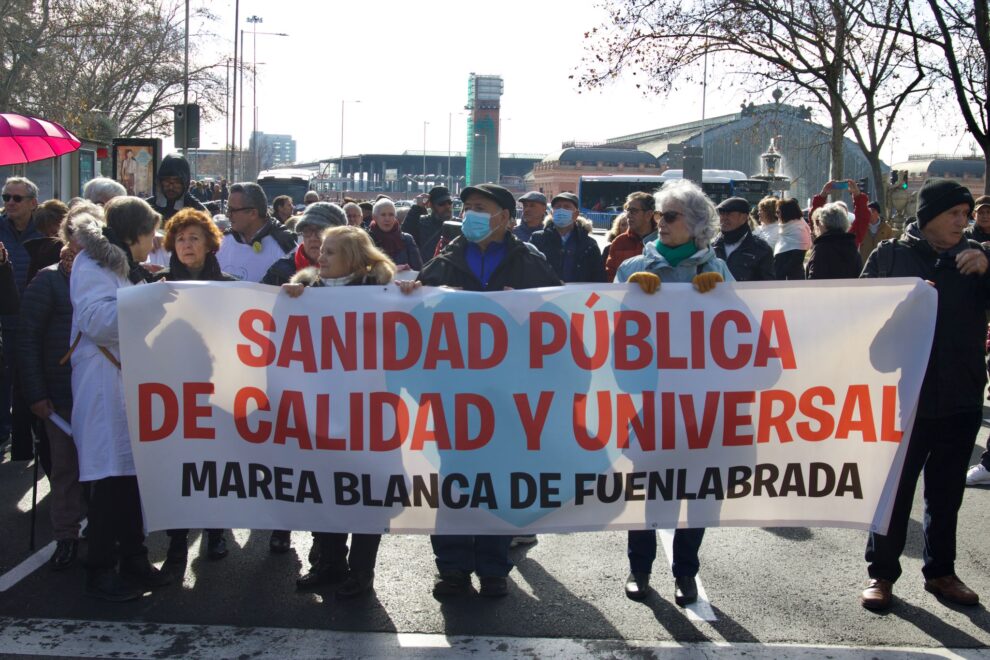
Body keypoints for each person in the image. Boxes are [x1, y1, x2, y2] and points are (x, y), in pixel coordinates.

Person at [398, 183, 561, 598]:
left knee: (498, 484)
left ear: (504, 218)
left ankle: (493, 569)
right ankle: (451, 568)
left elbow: (560, 323)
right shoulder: (444, 261)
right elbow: (414, 325)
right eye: (466, 207)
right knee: (453, 483)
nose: (469, 213)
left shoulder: (530, 264)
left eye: (480, 208)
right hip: (454, 397)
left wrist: (527, 313)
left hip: (509, 398)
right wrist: (408, 295)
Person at [859, 178, 986, 611]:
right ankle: (881, 575)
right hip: (902, 398)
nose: (962, 222)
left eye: (966, 215)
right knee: (893, 491)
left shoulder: (976, 258)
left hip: (961, 395)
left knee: (947, 492)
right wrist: (903, 308)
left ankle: (941, 573)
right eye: (954, 213)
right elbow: (859, 318)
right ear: (930, 215)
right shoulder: (891, 256)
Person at [615, 178, 733, 607]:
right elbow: (608, 330)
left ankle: (686, 573)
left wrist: (721, 300)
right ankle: (639, 568)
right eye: (658, 215)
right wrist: (629, 300)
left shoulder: (716, 270)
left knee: (697, 491)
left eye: (670, 216)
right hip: (648, 398)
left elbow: (745, 332)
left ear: (697, 224)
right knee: (648, 488)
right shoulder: (633, 269)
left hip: (700, 400)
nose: (659, 222)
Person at [282, 225, 397, 597]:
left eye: (331, 252)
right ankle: (327, 564)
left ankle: (360, 573)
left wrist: (408, 294)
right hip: (321, 412)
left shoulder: (382, 295)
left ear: (354, 258)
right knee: (324, 491)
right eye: (322, 250)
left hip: (368, 413)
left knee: (367, 494)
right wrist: (288, 298)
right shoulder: (307, 292)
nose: (321, 256)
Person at [69, 197, 170, 601]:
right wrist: (150, 301)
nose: (154, 241)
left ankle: (133, 559)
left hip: (125, 384)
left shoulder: (120, 267)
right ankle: (100, 571)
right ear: (133, 235)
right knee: (110, 483)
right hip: (103, 386)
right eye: (150, 234)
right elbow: (97, 322)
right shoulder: (92, 266)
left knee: (130, 479)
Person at [149, 208, 238, 564]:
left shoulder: (232, 287)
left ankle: (215, 532)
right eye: (181, 239)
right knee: (180, 463)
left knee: (216, 463)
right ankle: (176, 536)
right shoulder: (158, 288)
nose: (187, 245)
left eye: (194, 238)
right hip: (174, 390)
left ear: (209, 245)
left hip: (220, 388)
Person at [19, 216, 85, 570]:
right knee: (65, 469)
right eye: (76, 240)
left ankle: (105, 534)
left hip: (96, 392)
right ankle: (66, 536)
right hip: (60, 395)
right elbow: (26, 340)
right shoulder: (47, 281)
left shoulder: (105, 276)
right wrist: (35, 394)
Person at [0, 176, 43, 459]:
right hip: (4, 319)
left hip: (35, 320)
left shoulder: (44, 229)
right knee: (3, 379)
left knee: (31, 381)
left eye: (17, 198)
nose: (10, 204)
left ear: (32, 203)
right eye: (6, 198)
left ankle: (33, 437)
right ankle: (4, 433)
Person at [216, 182, 297, 284]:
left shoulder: (285, 245)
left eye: (232, 210)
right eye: (228, 209)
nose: (228, 215)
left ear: (253, 213)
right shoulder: (220, 242)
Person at [262, 203, 346, 286]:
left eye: (321, 231)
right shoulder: (278, 272)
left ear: (339, 237)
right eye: (307, 231)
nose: (312, 238)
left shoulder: (353, 273)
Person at [531, 192, 606, 283]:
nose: (561, 210)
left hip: (578, 296)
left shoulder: (589, 245)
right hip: (547, 296)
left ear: (576, 214)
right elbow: (528, 272)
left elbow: (598, 279)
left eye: (566, 206)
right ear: (552, 213)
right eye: (558, 207)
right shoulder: (537, 239)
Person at [711, 196, 774, 282]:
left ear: (744, 217)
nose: (724, 218)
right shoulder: (710, 247)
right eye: (722, 213)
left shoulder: (761, 250)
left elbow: (768, 287)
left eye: (729, 214)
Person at [604, 192, 658, 282]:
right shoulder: (619, 242)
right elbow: (610, 276)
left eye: (633, 211)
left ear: (648, 214)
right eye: (627, 211)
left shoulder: (663, 241)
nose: (628, 215)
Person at [805, 202, 863, 280]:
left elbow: (814, 278)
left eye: (819, 222)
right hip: (849, 291)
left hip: (826, 291)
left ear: (824, 223)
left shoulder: (821, 247)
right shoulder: (851, 246)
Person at [145, 153, 206, 223]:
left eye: (177, 182)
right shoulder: (147, 208)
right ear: (160, 182)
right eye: (167, 181)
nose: (171, 186)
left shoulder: (197, 211)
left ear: (185, 184)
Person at [401, 186, 454, 263]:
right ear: (431, 205)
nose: (447, 206)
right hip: (426, 272)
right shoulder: (422, 223)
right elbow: (404, 237)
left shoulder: (458, 225)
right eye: (441, 203)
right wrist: (417, 207)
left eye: (449, 202)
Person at [810, 179, 870, 246]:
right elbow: (863, 218)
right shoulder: (851, 238)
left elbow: (815, 217)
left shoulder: (822, 236)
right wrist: (857, 195)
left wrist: (823, 195)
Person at [367, 198, 422, 271]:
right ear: (375, 217)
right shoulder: (366, 240)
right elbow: (366, 268)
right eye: (383, 215)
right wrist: (389, 269)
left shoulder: (407, 239)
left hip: (403, 281)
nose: (387, 219)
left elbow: (418, 269)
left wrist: (407, 269)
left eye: (391, 214)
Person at [773, 197, 811, 280]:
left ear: (786, 213)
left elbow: (793, 264)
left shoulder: (798, 230)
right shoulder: (788, 228)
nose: (776, 215)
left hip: (790, 281)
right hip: (786, 279)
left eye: (778, 212)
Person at [859, 201, 895, 265]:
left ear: (878, 213)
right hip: (864, 264)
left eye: (873, 210)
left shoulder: (887, 228)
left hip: (881, 264)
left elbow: (892, 247)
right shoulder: (861, 227)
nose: (870, 213)